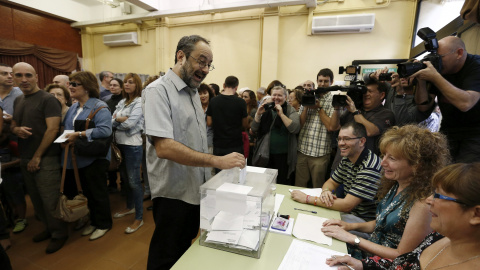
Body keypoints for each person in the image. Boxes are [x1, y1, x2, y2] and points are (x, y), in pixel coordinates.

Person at [142, 35, 245, 270]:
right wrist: (217, 160)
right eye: (201, 61)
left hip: (195, 190)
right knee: (166, 255)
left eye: (209, 64)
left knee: (185, 251)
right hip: (173, 194)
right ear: (181, 56)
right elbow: (164, 147)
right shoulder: (158, 91)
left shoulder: (192, 93)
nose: (206, 69)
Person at [322, 125, 450, 259]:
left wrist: (352, 238)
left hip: (379, 263)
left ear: (416, 165)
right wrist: (349, 226)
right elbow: (381, 223)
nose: (382, 163)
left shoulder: (423, 204)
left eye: (392, 158)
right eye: (384, 156)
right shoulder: (397, 184)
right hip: (370, 250)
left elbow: (401, 255)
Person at [326, 162, 480, 270]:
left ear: (476, 214)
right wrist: (362, 266)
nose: (429, 200)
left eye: (439, 196)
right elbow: (402, 264)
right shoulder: (436, 238)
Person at [11, 62, 68, 254]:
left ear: (36, 77)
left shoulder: (47, 99)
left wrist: (37, 157)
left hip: (45, 158)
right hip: (26, 156)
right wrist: (16, 129)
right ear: (14, 77)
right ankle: (48, 228)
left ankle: (59, 234)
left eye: (28, 75)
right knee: (35, 199)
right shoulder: (19, 100)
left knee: (49, 199)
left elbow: (52, 129)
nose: (24, 79)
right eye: (19, 75)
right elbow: (13, 124)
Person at [291, 122, 381, 222]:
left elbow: (347, 205)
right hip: (349, 213)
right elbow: (331, 182)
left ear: (361, 141)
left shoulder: (369, 168)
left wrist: (308, 199)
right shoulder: (348, 158)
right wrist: (326, 192)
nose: (341, 143)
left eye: (347, 139)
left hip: (362, 221)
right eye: (339, 139)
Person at [412, 36, 480, 163]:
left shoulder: (476, 66)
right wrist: (421, 81)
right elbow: (424, 106)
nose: (437, 62)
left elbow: (466, 103)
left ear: (459, 53)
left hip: (475, 133)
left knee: (464, 176)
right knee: (442, 173)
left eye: (440, 57)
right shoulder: (440, 70)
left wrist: (435, 77)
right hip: (449, 130)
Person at [63, 71, 113, 241]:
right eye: (70, 83)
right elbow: (67, 128)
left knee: (98, 193)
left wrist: (80, 134)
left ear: (87, 87)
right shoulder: (74, 107)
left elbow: (105, 130)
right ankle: (93, 221)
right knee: (87, 193)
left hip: (95, 157)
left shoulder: (100, 107)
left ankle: (104, 224)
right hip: (79, 157)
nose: (70, 86)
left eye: (74, 84)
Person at [111, 73, 145, 234]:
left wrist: (117, 119)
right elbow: (112, 120)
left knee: (134, 182)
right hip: (120, 144)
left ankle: (139, 217)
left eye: (130, 82)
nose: (126, 84)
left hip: (133, 145)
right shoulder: (123, 101)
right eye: (125, 82)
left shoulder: (140, 102)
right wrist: (120, 119)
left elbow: (130, 124)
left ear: (137, 85)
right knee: (125, 179)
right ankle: (130, 207)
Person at [251, 85, 300, 184]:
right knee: (265, 182)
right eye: (274, 95)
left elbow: (294, 129)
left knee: (281, 182)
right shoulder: (266, 109)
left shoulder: (290, 110)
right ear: (270, 96)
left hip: (284, 156)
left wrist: (281, 114)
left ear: (285, 97)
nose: (276, 98)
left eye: (280, 95)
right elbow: (254, 129)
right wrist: (258, 114)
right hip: (266, 154)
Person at [296, 68, 335, 188]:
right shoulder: (309, 96)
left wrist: (318, 108)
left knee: (317, 187)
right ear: (317, 81)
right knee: (299, 186)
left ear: (331, 82)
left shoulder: (334, 100)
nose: (322, 84)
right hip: (303, 149)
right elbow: (300, 125)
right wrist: (307, 106)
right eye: (320, 81)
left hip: (321, 153)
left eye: (326, 81)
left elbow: (331, 127)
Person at [0, 63, 26, 234]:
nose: (9, 76)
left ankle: (22, 217)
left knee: (14, 184)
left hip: (15, 145)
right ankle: (8, 217)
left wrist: (10, 122)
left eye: (11, 73)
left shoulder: (20, 95)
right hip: (1, 143)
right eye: (4, 73)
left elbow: (28, 121)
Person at [206, 76, 248, 171]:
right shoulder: (241, 102)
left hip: (219, 144)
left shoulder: (214, 101)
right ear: (236, 87)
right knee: (236, 174)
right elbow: (245, 125)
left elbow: (209, 123)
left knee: (219, 177)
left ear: (224, 85)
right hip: (236, 144)